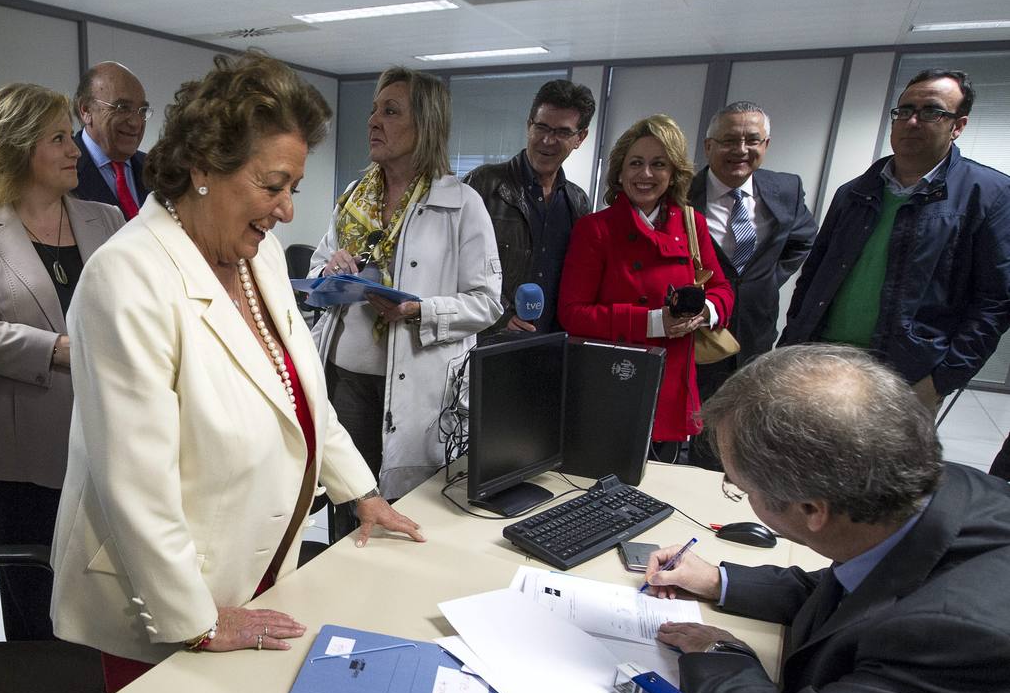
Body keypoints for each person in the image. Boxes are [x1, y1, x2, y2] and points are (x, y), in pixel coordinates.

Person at [49, 52, 424, 693]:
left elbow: (300, 393)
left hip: (255, 568)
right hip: (166, 599)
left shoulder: (259, 255)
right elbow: (134, 486)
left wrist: (361, 493)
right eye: (271, 185)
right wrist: (196, 620)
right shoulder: (127, 279)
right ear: (202, 169)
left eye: (293, 190)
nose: (285, 211)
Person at [644, 344, 1010, 693]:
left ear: (813, 510)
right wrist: (720, 580)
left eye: (739, 487)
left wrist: (722, 654)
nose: (740, 497)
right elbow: (862, 588)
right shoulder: (945, 489)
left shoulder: (965, 639)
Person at [0, 83, 124, 643]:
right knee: (33, 593)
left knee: (102, 583)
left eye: (72, 136)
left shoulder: (107, 219)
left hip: (108, 435)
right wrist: (60, 350)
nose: (75, 149)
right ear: (20, 147)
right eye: (59, 138)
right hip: (20, 449)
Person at [310, 66, 503, 499]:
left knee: (406, 508)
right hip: (346, 382)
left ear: (426, 124)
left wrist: (421, 310)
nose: (373, 121)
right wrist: (330, 272)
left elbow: (488, 302)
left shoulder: (462, 205)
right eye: (374, 109)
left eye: (391, 111)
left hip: (418, 388)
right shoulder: (354, 196)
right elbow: (320, 263)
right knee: (350, 501)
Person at [782, 69, 1010, 413]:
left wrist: (941, 380)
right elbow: (814, 274)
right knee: (797, 459)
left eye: (931, 111)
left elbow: (994, 303)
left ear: (958, 126)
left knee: (877, 467)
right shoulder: (856, 191)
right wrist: (794, 339)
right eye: (904, 110)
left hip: (905, 375)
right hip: (820, 358)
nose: (912, 121)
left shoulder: (989, 195)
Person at [558, 114, 734, 461]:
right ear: (620, 173)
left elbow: (723, 290)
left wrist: (704, 310)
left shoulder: (691, 222)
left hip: (672, 383)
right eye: (635, 163)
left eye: (659, 164)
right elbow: (572, 314)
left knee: (664, 484)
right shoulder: (596, 229)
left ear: (673, 174)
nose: (646, 174)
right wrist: (654, 322)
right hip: (612, 383)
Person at [688, 101, 816, 469]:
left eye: (752, 140)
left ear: (766, 144)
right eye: (729, 140)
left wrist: (767, 281)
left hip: (756, 331)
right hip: (698, 334)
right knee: (698, 425)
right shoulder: (681, 194)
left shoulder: (785, 188)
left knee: (743, 426)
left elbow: (804, 238)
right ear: (709, 146)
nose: (740, 150)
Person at [464, 79, 594, 335]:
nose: (547, 140)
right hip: (490, 342)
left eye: (562, 132)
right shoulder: (483, 184)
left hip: (550, 346)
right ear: (528, 125)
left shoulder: (577, 202)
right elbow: (454, 265)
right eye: (542, 127)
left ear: (580, 138)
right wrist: (500, 317)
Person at [73, 61, 150, 221]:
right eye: (122, 108)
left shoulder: (157, 169)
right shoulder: (63, 170)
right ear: (86, 110)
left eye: (142, 111)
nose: (135, 122)